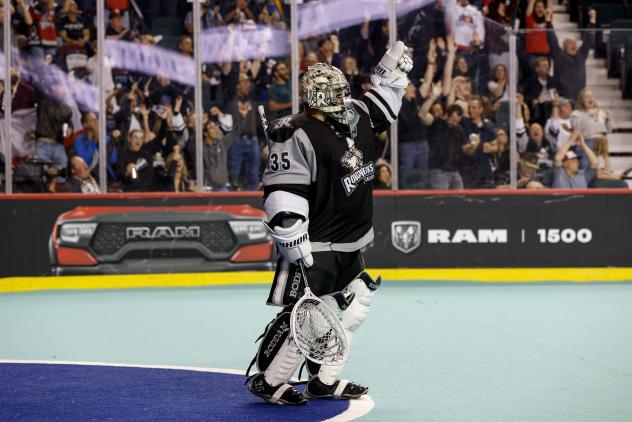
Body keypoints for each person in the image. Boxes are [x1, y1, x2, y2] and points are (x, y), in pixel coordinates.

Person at [246, 42, 412, 405]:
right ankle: (270, 382)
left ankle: (323, 381)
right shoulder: (296, 133)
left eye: (343, 90)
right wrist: (290, 233)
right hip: (317, 243)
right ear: (318, 96)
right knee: (309, 317)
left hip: (352, 240)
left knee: (356, 304)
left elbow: (385, 100)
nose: (343, 97)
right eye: (335, 92)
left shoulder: (355, 114)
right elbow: (282, 189)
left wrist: (391, 75)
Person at [545, 9, 596, 101]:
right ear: (564, 46)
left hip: (580, 98)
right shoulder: (559, 55)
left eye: (575, 43)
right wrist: (548, 22)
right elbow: (552, 40)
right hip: (564, 98)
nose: (574, 45)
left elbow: (588, 41)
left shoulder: (581, 55)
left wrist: (592, 21)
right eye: (570, 43)